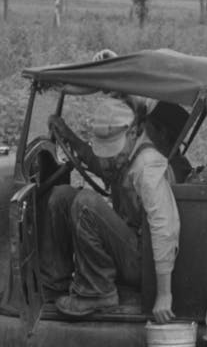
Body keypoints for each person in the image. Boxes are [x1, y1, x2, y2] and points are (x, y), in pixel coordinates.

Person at [43, 97, 180, 322]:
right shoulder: (126, 155)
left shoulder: (148, 165)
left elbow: (165, 228)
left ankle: (97, 292)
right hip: (127, 247)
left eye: (113, 150)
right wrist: (69, 136)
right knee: (62, 196)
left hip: (142, 263)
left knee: (86, 203)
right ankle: (55, 284)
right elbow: (101, 164)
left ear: (133, 132)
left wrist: (164, 294)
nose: (109, 158)